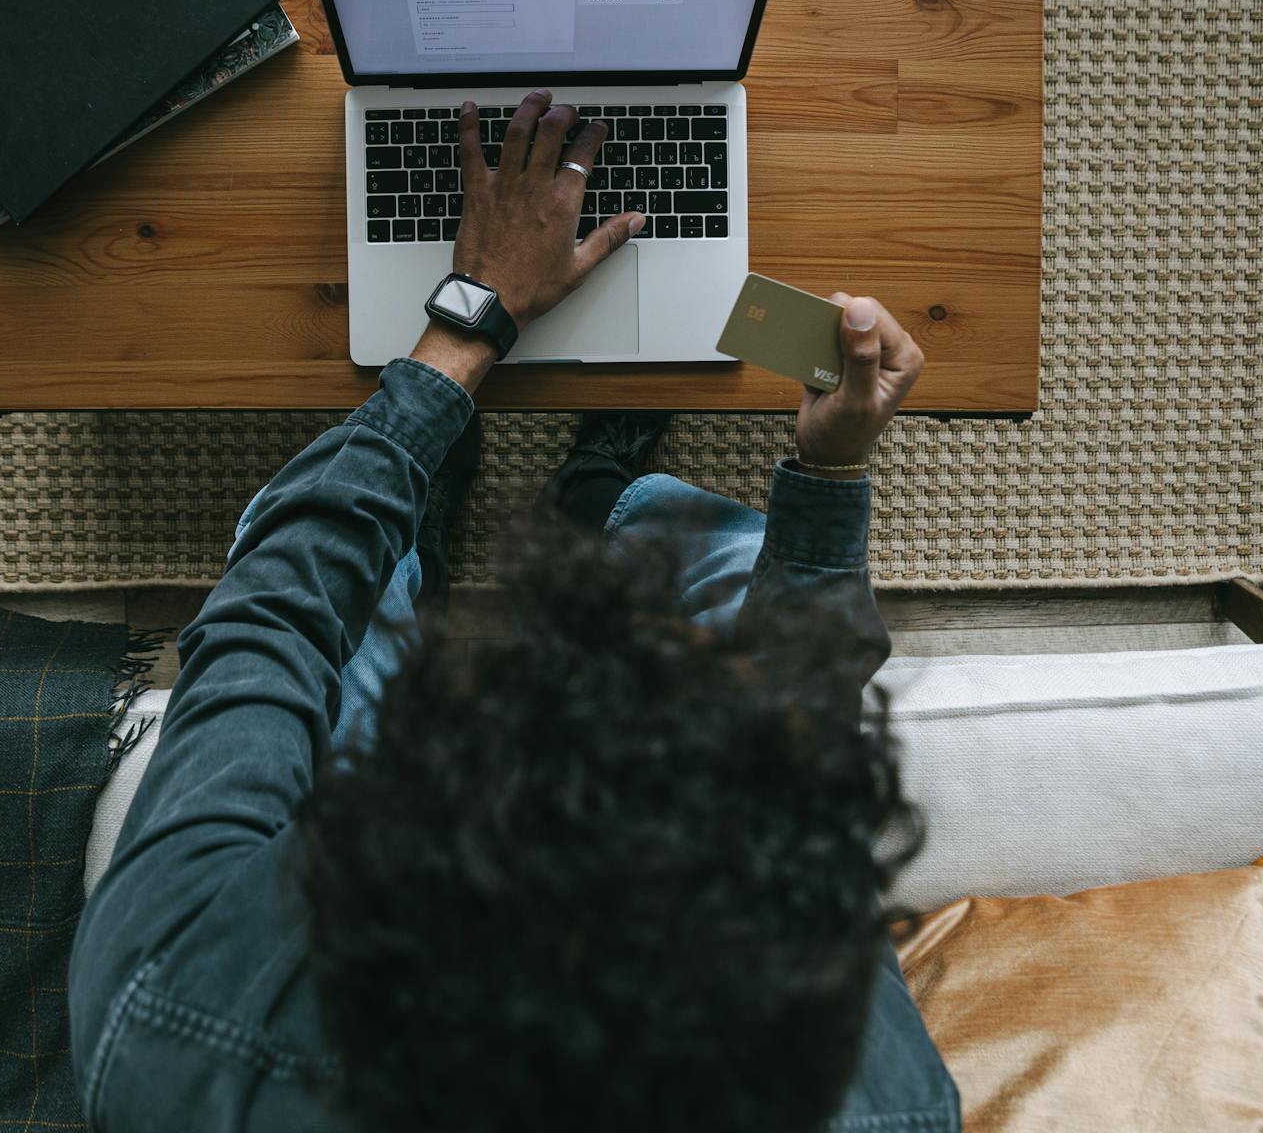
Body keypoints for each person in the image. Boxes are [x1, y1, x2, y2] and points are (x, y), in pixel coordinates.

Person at [68, 88, 956, 1132]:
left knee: (324, 551)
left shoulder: (174, 1010)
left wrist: (463, 327)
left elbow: (270, 614)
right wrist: (830, 472)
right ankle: (595, 502)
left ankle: (418, 540)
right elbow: (796, 746)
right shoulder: (863, 1091)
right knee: (743, 556)